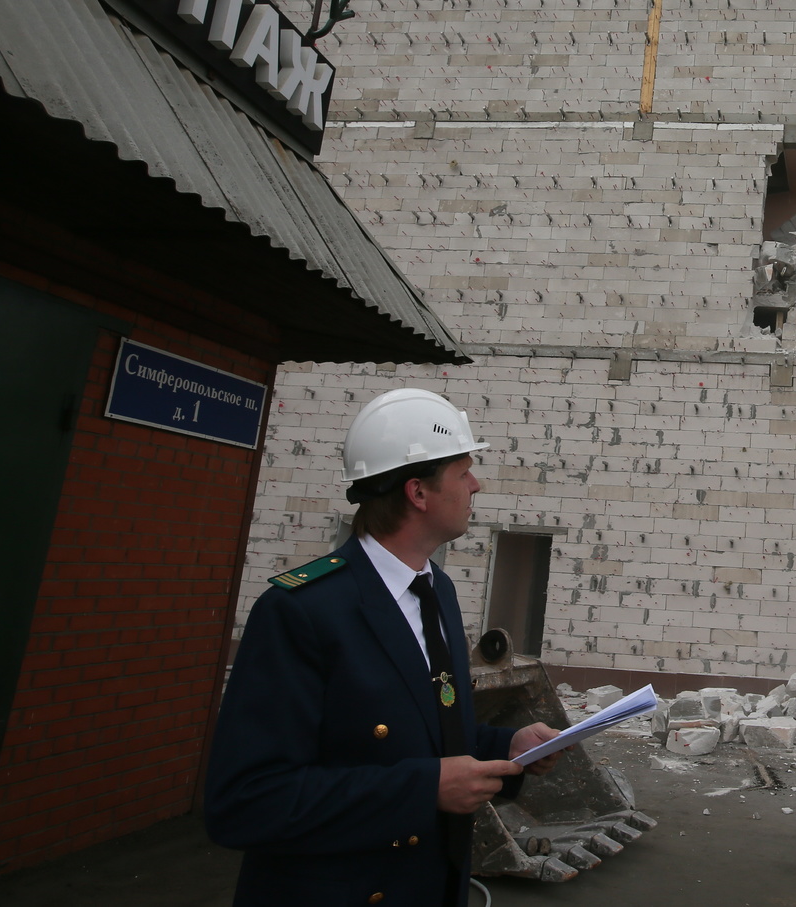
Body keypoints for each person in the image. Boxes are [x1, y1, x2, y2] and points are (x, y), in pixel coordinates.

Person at [206, 388, 564, 906]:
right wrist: (422, 790)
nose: (476, 484)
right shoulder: (301, 611)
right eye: (463, 472)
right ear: (418, 493)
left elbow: (418, 731)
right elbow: (245, 802)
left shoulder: (435, 589)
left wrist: (503, 748)